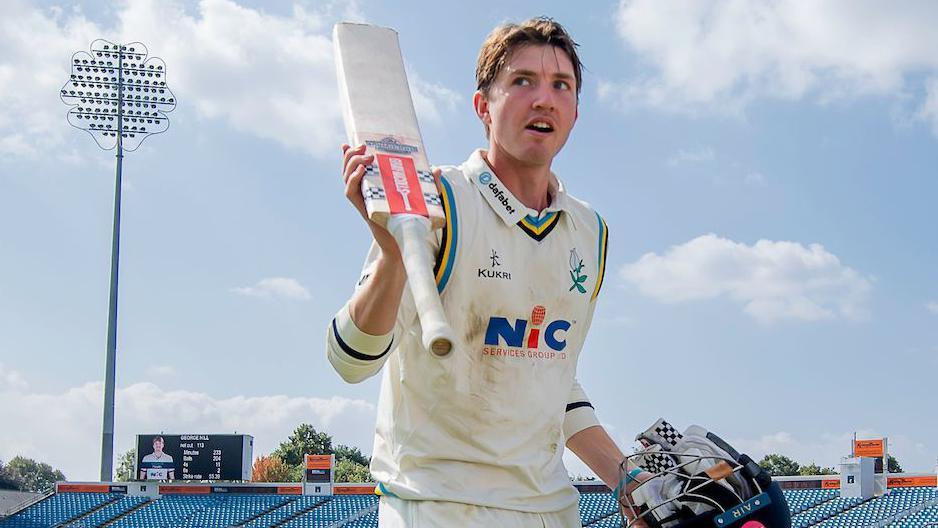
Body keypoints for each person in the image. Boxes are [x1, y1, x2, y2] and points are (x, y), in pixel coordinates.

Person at [326, 17, 651, 527]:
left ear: (575, 112)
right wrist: (393, 254)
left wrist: (630, 483)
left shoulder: (590, 233)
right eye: (522, 81)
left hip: (550, 510)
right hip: (435, 506)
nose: (543, 98)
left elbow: (554, 382)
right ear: (483, 106)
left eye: (560, 85)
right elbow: (350, 360)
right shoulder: (435, 201)